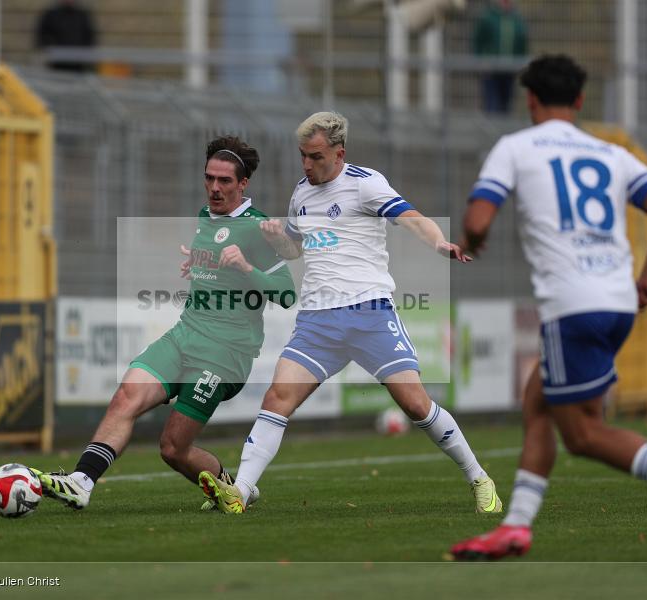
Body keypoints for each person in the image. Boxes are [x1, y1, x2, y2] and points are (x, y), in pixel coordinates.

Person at [450, 55, 647, 560]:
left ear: (530, 100)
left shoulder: (515, 147)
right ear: (579, 101)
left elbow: (479, 217)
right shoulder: (611, 153)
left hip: (572, 305)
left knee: (582, 434)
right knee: (538, 400)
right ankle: (516, 526)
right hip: (618, 300)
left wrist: (473, 235)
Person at [198, 111, 503, 515]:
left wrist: (440, 243)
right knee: (277, 397)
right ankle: (242, 489)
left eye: (316, 156)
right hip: (318, 320)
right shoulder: (301, 193)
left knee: (415, 405)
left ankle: (480, 478)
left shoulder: (365, 184)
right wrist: (277, 239)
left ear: (339, 153)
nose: (307, 164)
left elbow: (411, 218)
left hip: (369, 312)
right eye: (302, 156)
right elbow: (295, 248)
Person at [33, 136, 296, 510]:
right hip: (185, 335)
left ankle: (233, 489)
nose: (214, 188)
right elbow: (216, 266)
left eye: (224, 181)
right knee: (126, 396)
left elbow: (286, 294)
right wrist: (200, 264)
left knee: (172, 448)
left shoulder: (259, 229)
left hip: (224, 356)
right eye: (209, 178)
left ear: (243, 185)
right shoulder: (206, 216)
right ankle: (81, 481)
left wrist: (246, 268)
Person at [472, 0, 528, 114]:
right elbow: (478, 42)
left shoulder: (517, 19)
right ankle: (490, 130)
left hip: (510, 70)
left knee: (506, 106)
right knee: (491, 105)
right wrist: (480, 61)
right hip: (491, 70)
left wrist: (520, 63)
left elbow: (522, 43)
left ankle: (503, 130)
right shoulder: (488, 18)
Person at [35, 0, 97, 73]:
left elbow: (90, 37)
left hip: (78, 65)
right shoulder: (50, 14)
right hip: (56, 65)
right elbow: (42, 36)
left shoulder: (83, 15)